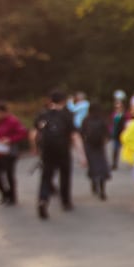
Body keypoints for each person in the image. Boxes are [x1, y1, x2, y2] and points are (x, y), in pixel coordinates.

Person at [33, 91, 85, 220]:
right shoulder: (67, 115)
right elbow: (74, 136)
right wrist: (81, 155)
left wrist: (35, 148)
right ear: (63, 101)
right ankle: (65, 201)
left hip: (47, 150)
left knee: (46, 176)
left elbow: (35, 133)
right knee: (65, 174)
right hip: (63, 149)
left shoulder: (43, 114)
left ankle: (43, 199)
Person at [0, 101, 29, 205]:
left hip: (9, 151)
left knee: (9, 174)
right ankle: (4, 194)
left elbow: (22, 133)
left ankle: (12, 196)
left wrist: (10, 139)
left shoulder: (12, 121)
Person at [80, 103, 111, 200]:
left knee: (92, 166)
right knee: (102, 167)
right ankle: (102, 190)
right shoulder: (102, 120)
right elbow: (107, 134)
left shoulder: (86, 120)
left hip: (89, 146)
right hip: (99, 146)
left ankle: (94, 183)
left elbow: (81, 133)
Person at [110, 99, 129, 170]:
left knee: (127, 148)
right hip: (116, 133)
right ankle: (114, 163)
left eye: (119, 105)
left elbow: (128, 123)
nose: (118, 106)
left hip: (123, 134)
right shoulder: (114, 114)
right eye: (117, 105)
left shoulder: (125, 114)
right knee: (115, 149)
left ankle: (130, 162)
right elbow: (112, 124)